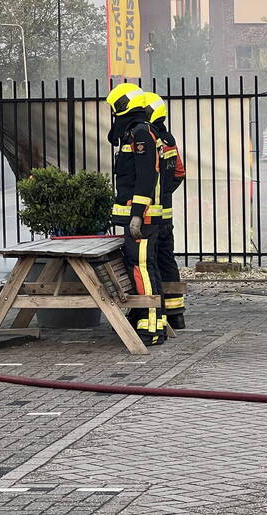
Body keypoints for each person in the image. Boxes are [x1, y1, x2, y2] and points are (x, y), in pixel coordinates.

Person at [106, 83, 165, 346]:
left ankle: (151, 326)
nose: (113, 114)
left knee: (142, 268)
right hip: (138, 215)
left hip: (143, 218)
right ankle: (150, 319)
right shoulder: (134, 132)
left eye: (114, 108)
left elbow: (145, 177)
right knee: (142, 267)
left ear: (123, 106)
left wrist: (137, 214)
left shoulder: (141, 134)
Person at [136, 92, 187, 329]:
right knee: (167, 261)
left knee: (150, 263)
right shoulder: (169, 139)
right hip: (166, 214)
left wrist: (155, 195)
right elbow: (179, 173)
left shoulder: (150, 138)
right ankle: (176, 315)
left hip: (151, 215)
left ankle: (155, 314)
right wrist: (165, 193)